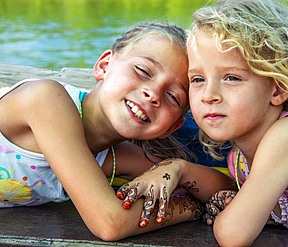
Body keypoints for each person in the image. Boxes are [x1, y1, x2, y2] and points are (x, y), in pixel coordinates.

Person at [117, 0, 288, 246]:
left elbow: (232, 235)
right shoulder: (239, 159)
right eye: (197, 79)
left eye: (231, 78)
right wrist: (178, 169)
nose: (209, 95)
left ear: (278, 89)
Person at [0, 22, 209, 241]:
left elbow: (221, 188)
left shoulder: (115, 158)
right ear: (104, 65)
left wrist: (179, 169)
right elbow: (111, 223)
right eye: (143, 71)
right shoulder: (45, 99)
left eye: (173, 96)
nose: (153, 94)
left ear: (171, 127)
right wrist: (191, 208)